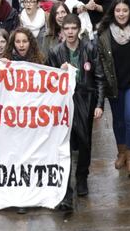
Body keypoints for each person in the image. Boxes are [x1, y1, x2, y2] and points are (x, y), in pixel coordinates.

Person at [48, 14, 104, 209]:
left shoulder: (89, 48)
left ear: (79, 29)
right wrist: (59, 71)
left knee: (85, 141)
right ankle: (66, 180)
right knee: (65, 142)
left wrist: (99, 104)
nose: (70, 32)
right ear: (62, 30)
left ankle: (82, 177)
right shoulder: (55, 51)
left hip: (86, 99)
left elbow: (98, 77)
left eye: (73, 28)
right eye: (67, 28)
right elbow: (48, 80)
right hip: (65, 102)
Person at [97, 0, 130, 177]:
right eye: (118, 10)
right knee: (118, 120)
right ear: (113, 12)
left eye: (125, 11)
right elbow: (100, 58)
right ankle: (121, 153)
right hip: (114, 83)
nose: (121, 14)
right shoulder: (103, 32)